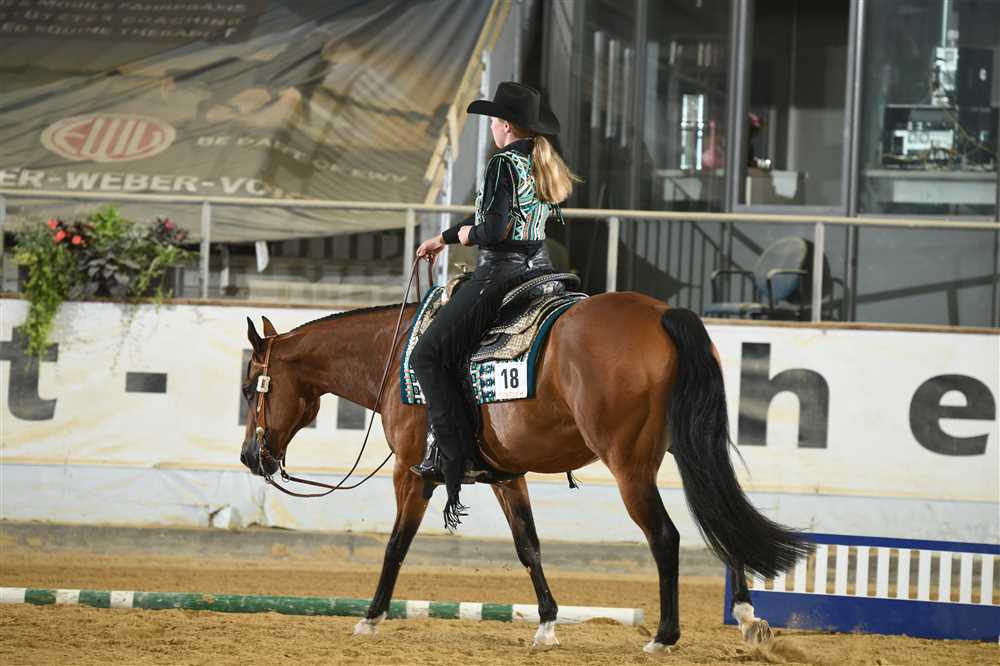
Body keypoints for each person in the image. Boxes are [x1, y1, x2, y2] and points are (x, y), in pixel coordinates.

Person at [409, 82, 578, 530]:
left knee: (427, 355)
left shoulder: (502, 162)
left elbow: (493, 230)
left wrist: (464, 237)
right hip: (541, 269)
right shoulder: (539, 160)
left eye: (493, 122)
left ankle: (453, 454)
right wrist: (444, 237)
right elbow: (495, 215)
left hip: (500, 273)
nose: (491, 129)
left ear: (504, 125)